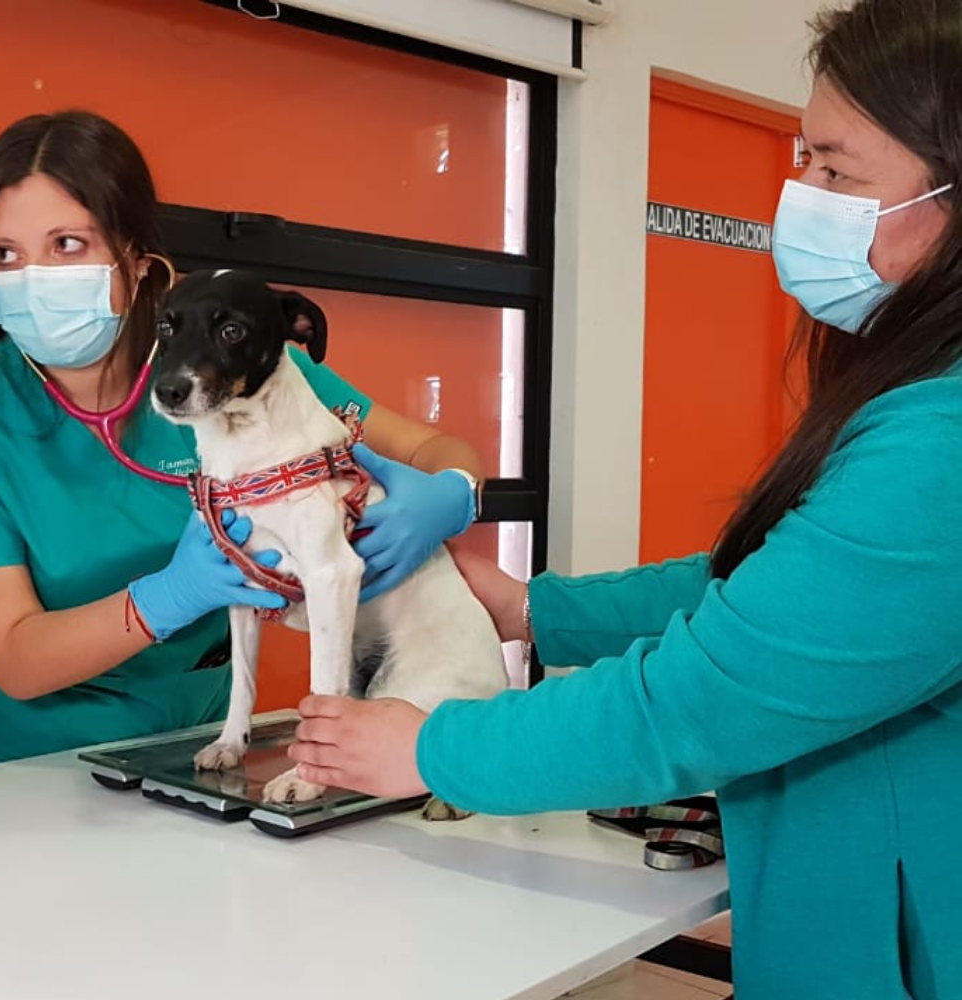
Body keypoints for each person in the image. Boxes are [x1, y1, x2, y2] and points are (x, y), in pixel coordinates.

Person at [289, 0, 962, 995]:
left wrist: (432, 747)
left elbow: (706, 695)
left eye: (836, 169)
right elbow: (784, 587)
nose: (801, 196)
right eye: (802, 160)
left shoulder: (938, 442)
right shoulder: (914, 395)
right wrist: (531, 609)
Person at [0, 109, 487, 769]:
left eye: (66, 244)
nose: (32, 276)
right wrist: (173, 593)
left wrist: (449, 495)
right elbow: (13, 655)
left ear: (134, 257)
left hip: (200, 740)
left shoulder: (242, 370)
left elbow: (440, 451)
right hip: (35, 760)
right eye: (5, 254)